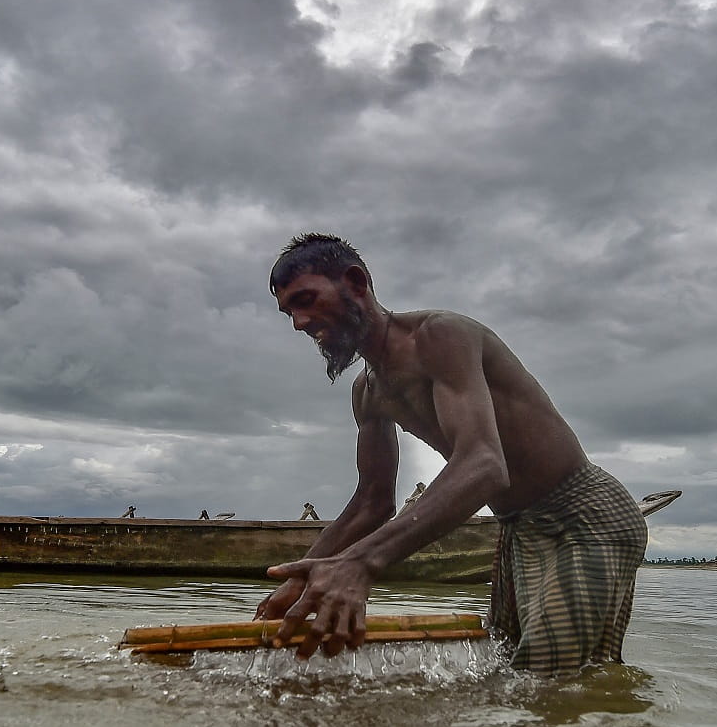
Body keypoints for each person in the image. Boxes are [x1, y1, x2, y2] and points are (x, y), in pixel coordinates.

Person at [257, 233, 647, 673]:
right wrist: (304, 574)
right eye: (289, 312)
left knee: (550, 677)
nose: (299, 322)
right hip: (518, 529)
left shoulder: (439, 336)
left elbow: (485, 465)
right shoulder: (367, 392)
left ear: (355, 282)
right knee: (509, 676)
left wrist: (360, 562)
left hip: (583, 514)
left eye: (306, 300)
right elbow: (372, 502)